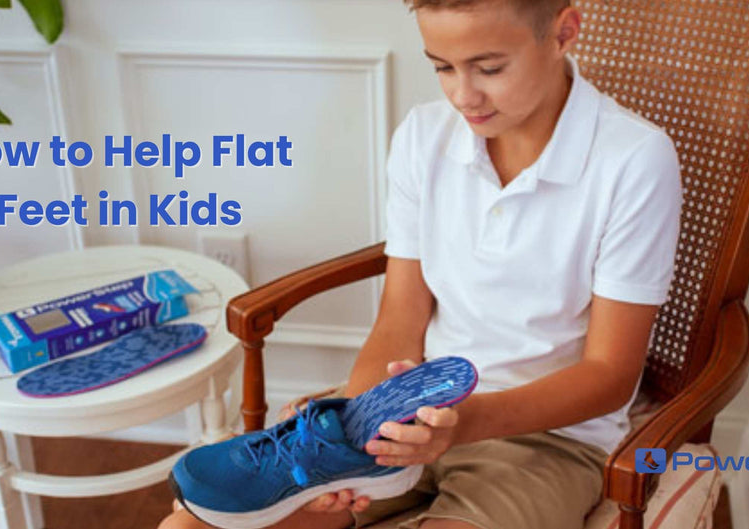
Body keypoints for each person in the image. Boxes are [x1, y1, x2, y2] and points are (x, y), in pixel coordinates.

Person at [159, 0, 681, 527]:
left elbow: (610, 374)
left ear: (564, 32)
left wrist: (462, 424)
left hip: (546, 440)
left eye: (489, 68)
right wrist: (354, 432)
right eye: (442, 67)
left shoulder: (634, 160)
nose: (463, 96)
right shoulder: (423, 135)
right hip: (405, 409)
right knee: (185, 525)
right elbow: (400, 318)